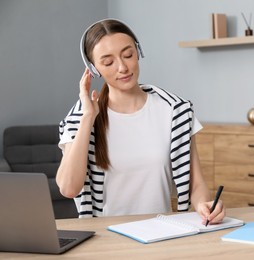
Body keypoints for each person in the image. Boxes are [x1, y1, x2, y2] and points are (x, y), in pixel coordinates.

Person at [56, 18, 225, 224]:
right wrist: (88, 118)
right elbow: (68, 188)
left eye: (128, 55)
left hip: (161, 233)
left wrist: (203, 205)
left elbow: (196, 185)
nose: (122, 67)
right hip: (106, 240)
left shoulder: (175, 111)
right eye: (108, 62)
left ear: (138, 52)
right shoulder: (80, 117)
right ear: (93, 69)